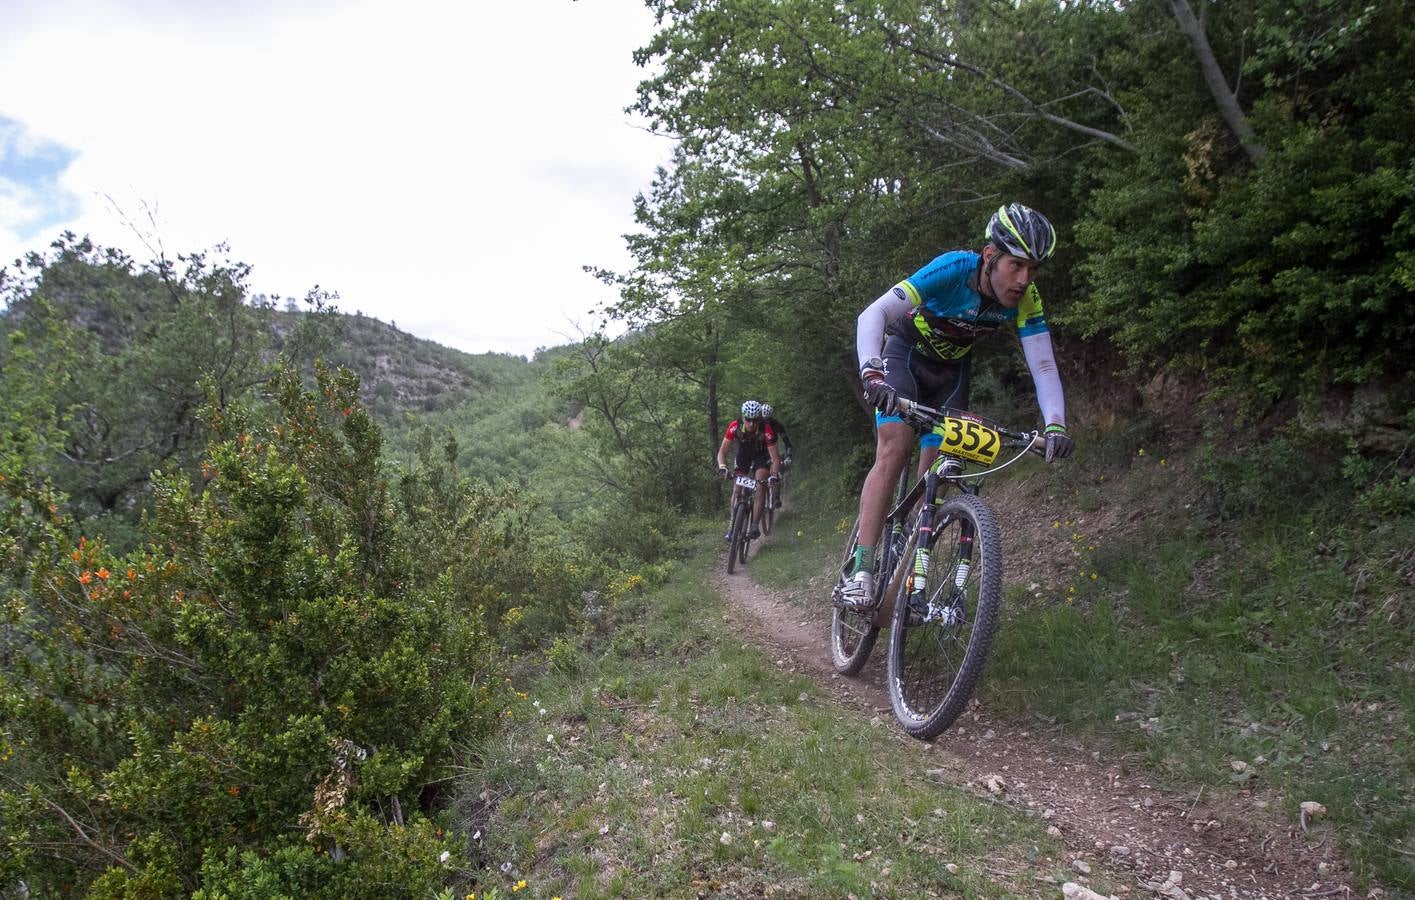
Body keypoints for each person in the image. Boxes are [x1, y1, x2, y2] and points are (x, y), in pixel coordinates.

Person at [839, 203, 1075, 608]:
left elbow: (1043, 364)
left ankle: (909, 555)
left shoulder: (1026, 299)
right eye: (1016, 265)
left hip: (952, 374)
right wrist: (872, 374)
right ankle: (861, 571)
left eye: (1033, 269)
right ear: (990, 255)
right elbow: (873, 313)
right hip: (904, 357)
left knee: (940, 471)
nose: (1024, 279)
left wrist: (1055, 424)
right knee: (895, 447)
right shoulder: (953, 269)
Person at [715, 400, 781, 541]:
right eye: (748, 420)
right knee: (737, 489)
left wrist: (774, 475)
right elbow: (722, 452)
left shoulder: (766, 429)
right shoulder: (735, 427)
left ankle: (754, 525)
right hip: (744, 456)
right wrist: (722, 466)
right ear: (743, 417)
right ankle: (732, 525)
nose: (751, 424)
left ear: (759, 419)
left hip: (761, 456)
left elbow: (775, 458)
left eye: (755, 420)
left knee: (760, 485)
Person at [760, 403, 794, 509]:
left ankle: (775, 497)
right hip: (759, 451)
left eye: (768, 420)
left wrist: (788, 456)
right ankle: (747, 493)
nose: (767, 423)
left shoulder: (777, 425)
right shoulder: (757, 424)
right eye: (764, 420)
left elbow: (787, 442)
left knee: (776, 471)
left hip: (773, 451)